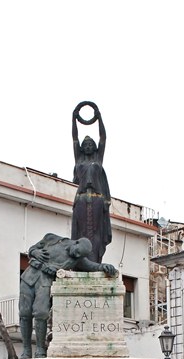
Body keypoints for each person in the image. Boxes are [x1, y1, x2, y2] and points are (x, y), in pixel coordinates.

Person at [19, 233, 116, 359]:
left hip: (46, 282)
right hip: (28, 277)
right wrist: (35, 252)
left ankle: (40, 349)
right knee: (24, 314)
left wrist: (103, 266)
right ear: (76, 243)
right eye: (77, 252)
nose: (77, 256)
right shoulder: (51, 238)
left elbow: (92, 266)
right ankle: (26, 350)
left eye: (80, 256)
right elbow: (32, 249)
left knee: (41, 313)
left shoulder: (77, 259)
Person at [71, 101, 112, 263]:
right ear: (82, 148)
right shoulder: (79, 159)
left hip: (97, 198)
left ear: (94, 147)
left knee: (96, 232)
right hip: (81, 198)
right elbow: (74, 138)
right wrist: (74, 119)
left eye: (90, 144)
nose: (87, 146)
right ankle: (80, 263)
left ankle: (95, 263)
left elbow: (103, 137)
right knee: (80, 232)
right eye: (85, 144)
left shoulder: (98, 160)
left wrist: (98, 116)